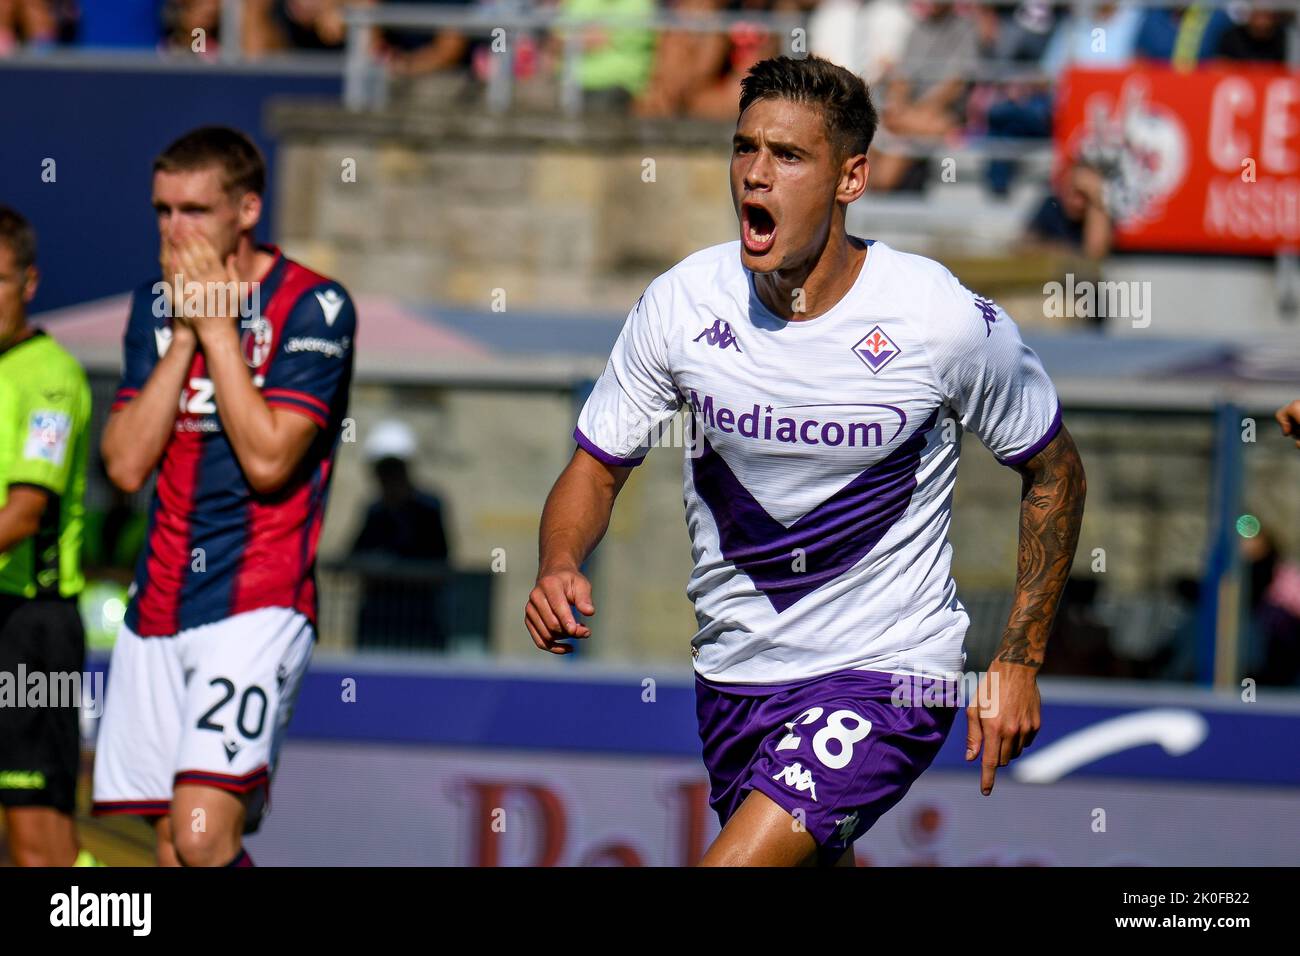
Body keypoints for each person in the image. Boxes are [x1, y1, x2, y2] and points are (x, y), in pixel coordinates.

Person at [527, 55, 1087, 867]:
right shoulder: (681, 304)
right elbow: (596, 464)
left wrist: (1021, 656)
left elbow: (1054, 469)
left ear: (851, 177)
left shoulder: (937, 318)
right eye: (744, 148)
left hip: (893, 675)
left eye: (788, 157)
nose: (755, 175)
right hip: (736, 681)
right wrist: (556, 561)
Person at [92, 126, 357, 867]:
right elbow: (122, 464)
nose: (175, 230)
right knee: (174, 848)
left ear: (246, 209)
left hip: (258, 600)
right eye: (163, 210)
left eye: (195, 210)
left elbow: (272, 459)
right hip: (158, 603)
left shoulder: (316, 306)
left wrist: (215, 330)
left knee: (204, 836)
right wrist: (183, 336)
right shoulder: (154, 306)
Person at [0, 206, 99, 866]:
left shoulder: (52, 377)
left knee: (39, 843)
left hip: (32, 629)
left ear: (29, 282)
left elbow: (23, 515)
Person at [350, 420, 451, 649]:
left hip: (420, 623)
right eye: (384, 473)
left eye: (394, 472)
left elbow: (438, 560)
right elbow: (354, 555)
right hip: (377, 622)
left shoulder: (429, 510)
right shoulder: (374, 512)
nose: (388, 480)